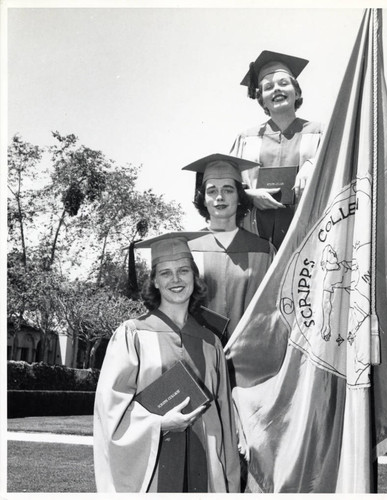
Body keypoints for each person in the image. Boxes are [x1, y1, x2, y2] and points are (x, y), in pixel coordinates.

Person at [93, 232, 240, 493]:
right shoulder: (132, 335)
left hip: (206, 463)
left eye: (183, 270)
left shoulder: (211, 343)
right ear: (155, 282)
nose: (176, 279)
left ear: (195, 278)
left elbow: (225, 417)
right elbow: (109, 412)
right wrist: (158, 424)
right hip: (153, 465)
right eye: (165, 273)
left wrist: (230, 481)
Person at [230, 50, 324, 249]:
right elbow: (225, 184)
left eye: (283, 83)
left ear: (297, 92)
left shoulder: (320, 133)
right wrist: (249, 196)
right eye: (268, 87)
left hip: (310, 235)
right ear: (261, 99)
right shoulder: (246, 139)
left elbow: (341, 168)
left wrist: (313, 163)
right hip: (255, 238)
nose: (276, 90)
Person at [182, 153, 274, 345]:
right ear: (203, 198)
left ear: (240, 197)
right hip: (200, 355)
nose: (220, 197)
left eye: (228, 190)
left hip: (252, 356)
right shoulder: (188, 248)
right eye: (212, 191)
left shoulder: (264, 251)